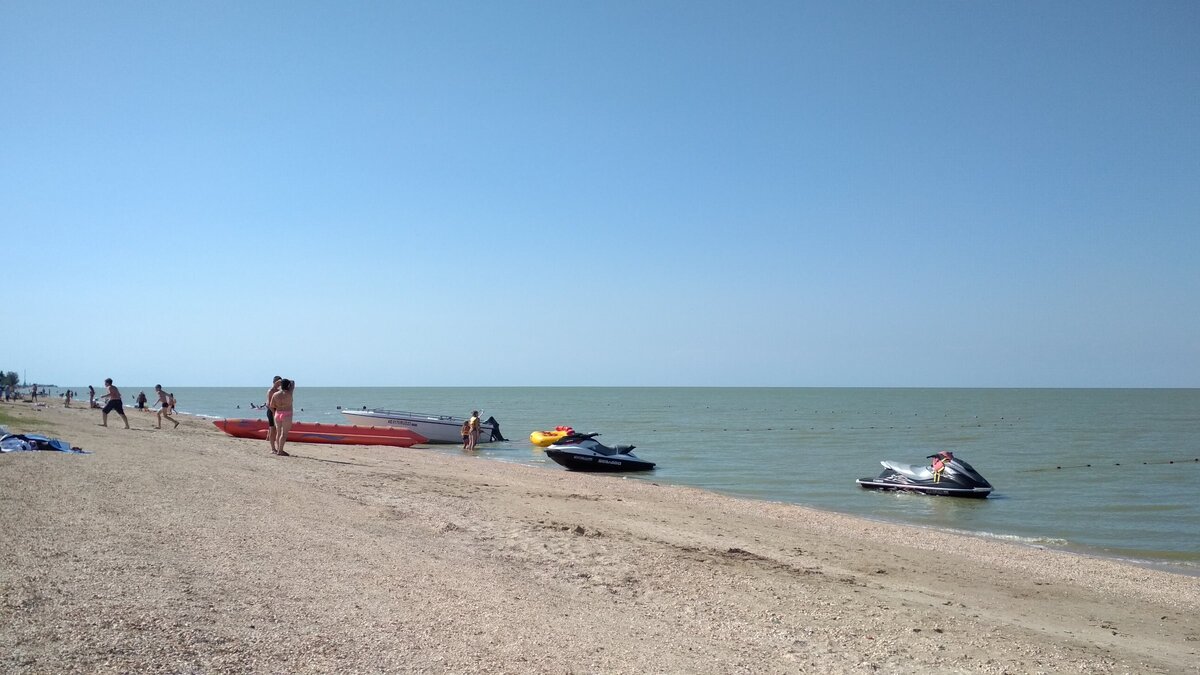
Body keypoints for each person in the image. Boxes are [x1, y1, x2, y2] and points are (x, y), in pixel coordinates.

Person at [269, 379, 294, 456]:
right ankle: (280, 450)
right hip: (287, 414)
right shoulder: (289, 392)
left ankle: (278, 449)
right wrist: (285, 381)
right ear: (288, 385)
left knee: (279, 432)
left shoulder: (275, 394)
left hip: (278, 413)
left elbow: (271, 405)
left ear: (281, 385)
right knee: (284, 434)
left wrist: (279, 382)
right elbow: (293, 382)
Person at [265, 376, 282, 454]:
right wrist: (274, 413)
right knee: (272, 429)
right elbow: (268, 404)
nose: (279, 384)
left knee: (276, 429)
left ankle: (278, 447)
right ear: (275, 382)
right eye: (278, 382)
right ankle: (272, 448)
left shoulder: (278, 391)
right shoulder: (271, 390)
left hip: (277, 411)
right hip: (271, 411)